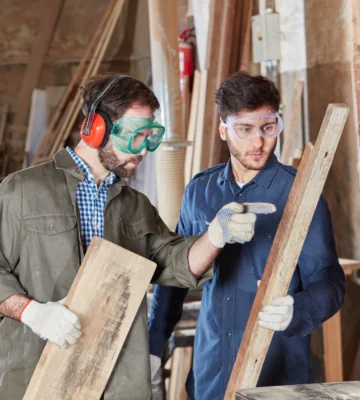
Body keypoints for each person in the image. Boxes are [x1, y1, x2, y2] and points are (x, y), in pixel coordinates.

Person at [0, 74, 275, 400]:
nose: (142, 151)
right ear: (95, 128)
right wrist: (32, 312)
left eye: (149, 137)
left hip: (115, 385)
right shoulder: (24, 190)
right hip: (38, 378)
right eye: (134, 136)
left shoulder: (134, 205)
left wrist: (216, 235)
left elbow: (176, 263)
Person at [148, 72, 345, 400]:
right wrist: (155, 345)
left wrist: (297, 307)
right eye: (246, 129)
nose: (259, 142)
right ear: (224, 129)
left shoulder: (300, 193)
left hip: (278, 376)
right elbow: (174, 277)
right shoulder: (200, 191)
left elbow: (331, 282)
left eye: (268, 128)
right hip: (211, 374)